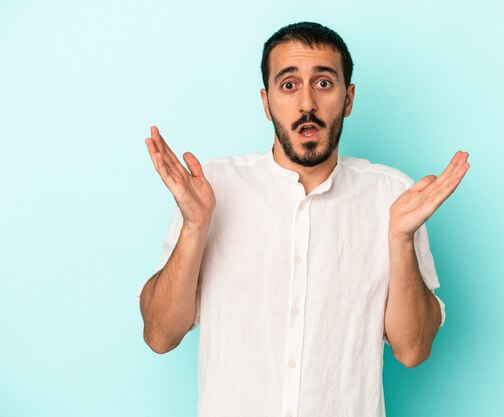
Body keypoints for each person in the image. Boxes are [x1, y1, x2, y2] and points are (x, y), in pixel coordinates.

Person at [138, 21, 469, 417]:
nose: (307, 104)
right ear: (266, 102)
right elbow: (159, 335)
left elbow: (413, 350)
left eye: (324, 84)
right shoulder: (209, 190)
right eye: (289, 84)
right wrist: (195, 227)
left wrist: (399, 238)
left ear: (348, 99)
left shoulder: (392, 196)